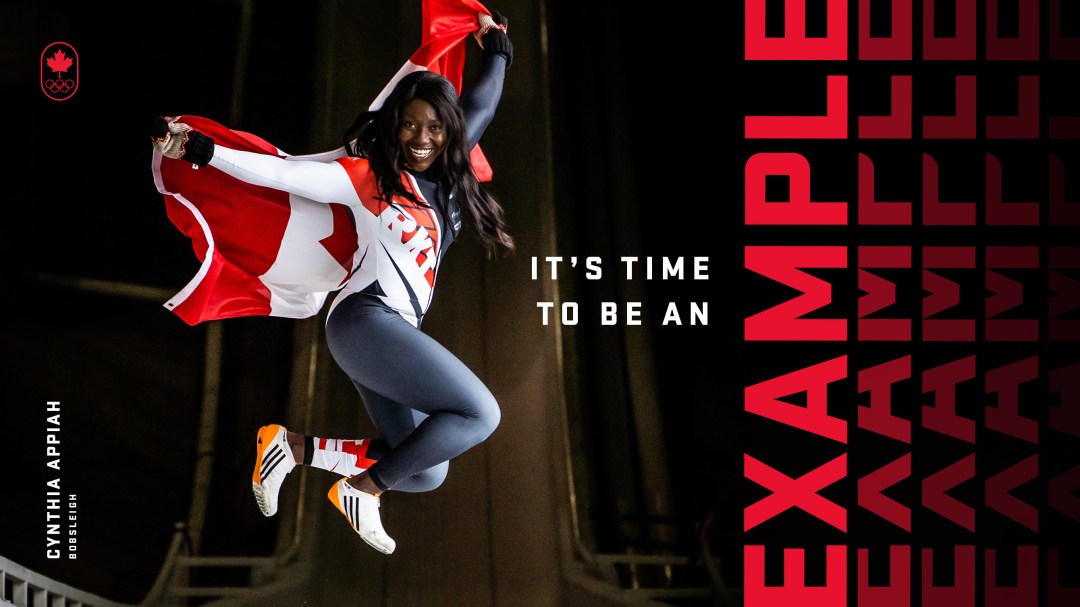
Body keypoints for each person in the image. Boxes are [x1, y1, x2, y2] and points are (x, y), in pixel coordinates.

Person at [153, 11, 513, 555]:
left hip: (385, 335)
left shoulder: (451, 170)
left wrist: (500, 47)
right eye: (409, 124)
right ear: (394, 126)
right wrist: (204, 152)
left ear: (449, 132)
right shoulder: (369, 177)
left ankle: (292, 449)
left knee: (424, 470)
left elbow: (484, 100)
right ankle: (361, 491)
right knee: (480, 413)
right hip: (366, 322)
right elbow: (282, 174)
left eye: (434, 128)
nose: (421, 138)